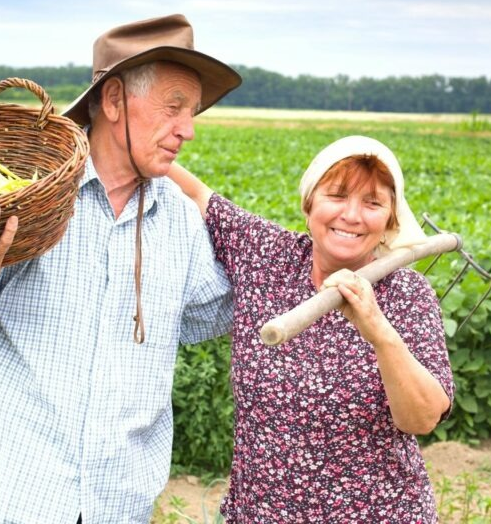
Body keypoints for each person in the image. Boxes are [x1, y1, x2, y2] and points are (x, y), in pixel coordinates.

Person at [0, 14, 242, 524]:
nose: (188, 131)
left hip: (116, 501)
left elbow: (226, 308)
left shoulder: (177, 220)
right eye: (173, 108)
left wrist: (331, 254)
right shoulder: (21, 195)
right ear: (112, 101)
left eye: (193, 113)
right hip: (5, 492)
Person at [167, 135, 455, 522]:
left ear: (388, 221)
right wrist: (108, 132)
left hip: (379, 514)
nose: (352, 215)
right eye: (337, 195)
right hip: (260, 514)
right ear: (309, 204)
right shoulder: (268, 257)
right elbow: (196, 193)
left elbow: (421, 419)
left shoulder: (407, 294)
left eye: (372, 203)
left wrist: (379, 333)